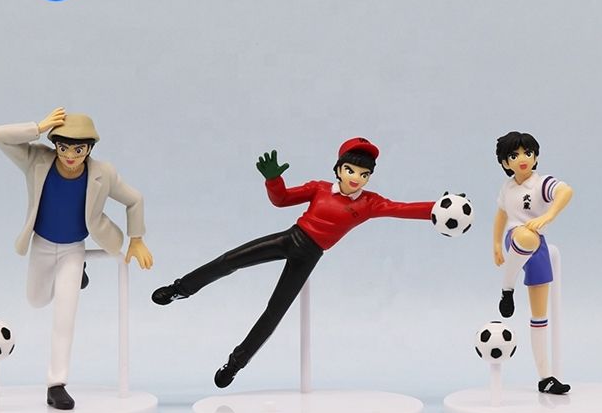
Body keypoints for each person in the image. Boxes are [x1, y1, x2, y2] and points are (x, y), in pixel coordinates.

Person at [153, 137, 434, 388]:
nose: (356, 178)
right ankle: (180, 289)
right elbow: (282, 199)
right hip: (289, 238)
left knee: (275, 311)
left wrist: (439, 208)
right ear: (338, 169)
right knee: (230, 260)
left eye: (364, 174)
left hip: (310, 255)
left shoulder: (369, 203)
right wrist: (273, 180)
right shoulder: (319, 188)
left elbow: (403, 209)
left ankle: (235, 364)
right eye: (350, 170)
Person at [0, 107, 153, 410]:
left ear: (90, 148)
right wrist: (38, 127)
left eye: (79, 149)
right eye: (63, 147)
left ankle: (57, 384)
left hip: (73, 249)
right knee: (37, 299)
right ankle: (79, 275)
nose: (70, 155)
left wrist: (137, 238)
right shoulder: (37, 160)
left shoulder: (103, 173)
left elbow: (135, 199)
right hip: (41, 244)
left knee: (64, 317)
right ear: (55, 145)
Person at [493, 131, 573, 394]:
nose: (522, 159)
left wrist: (549, 215)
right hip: (517, 238)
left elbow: (565, 191)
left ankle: (545, 377)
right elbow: (501, 215)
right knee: (527, 237)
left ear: (536, 157)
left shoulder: (540, 183)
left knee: (540, 315)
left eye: (527, 153)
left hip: (539, 248)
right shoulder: (508, 188)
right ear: (505, 162)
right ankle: (507, 287)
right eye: (514, 155)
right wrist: (496, 244)